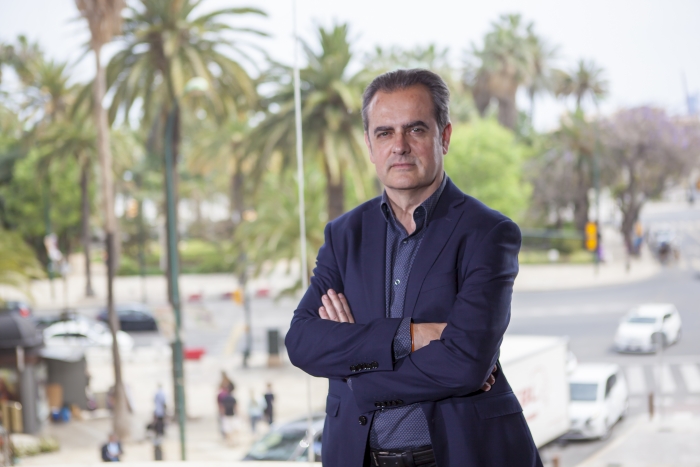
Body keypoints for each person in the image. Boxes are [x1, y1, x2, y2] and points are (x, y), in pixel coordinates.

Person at [285, 69, 542, 466]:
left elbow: (465, 365)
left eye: (416, 129)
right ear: (369, 145)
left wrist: (355, 372)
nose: (399, 146)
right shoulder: (344, 235)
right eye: (384, 132)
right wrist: (411, 335)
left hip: (460, 456)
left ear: (445, 136)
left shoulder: (488, 233)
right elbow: (302, 342)